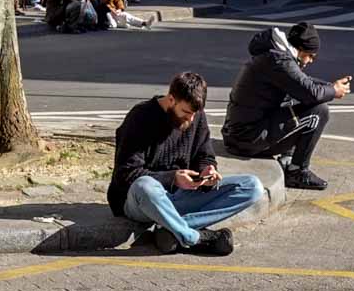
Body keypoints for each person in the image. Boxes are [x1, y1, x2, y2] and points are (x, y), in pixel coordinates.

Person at [109, 72, 264, 256]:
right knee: (145, 186)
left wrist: (207, 172)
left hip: (182, 195)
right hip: (143, 201)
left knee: (252, 186)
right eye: (186, 113)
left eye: (194, 114)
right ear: (171, 99)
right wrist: (173, 178)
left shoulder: (196, 115)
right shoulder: (140, 117)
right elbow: (126, 174)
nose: (190, 119)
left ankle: (172, 230)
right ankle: (194, 237)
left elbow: (205, 155)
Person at [220, 21, 348, 191]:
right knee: (319, 111)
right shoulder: (279, 61)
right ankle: (297, 171)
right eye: (311, 56)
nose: (311, 61)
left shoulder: (274, 55)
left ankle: (287, 160)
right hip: (246, 140)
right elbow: (311, 93)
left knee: (298, 100)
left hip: (239, 135)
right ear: (301, 49)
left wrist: (330, 87)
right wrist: (333, 90)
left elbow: (303, 82)